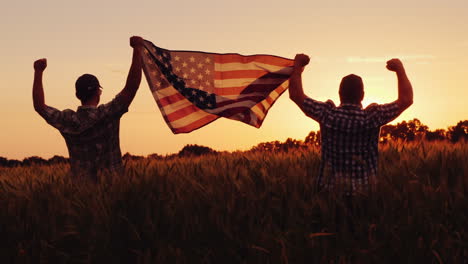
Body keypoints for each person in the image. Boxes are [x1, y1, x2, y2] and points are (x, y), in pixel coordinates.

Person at [289, 54, 413, 196]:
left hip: (330, 197)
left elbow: (296, 95)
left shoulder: (327, 114)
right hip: (365, 197)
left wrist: (298, 66)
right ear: (362, 95)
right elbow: (406, 99)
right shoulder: (373, 116)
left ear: (339, 93)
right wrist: (399, 69)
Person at [32, 36, 145, 181]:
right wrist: (137, 49)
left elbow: (39, 107)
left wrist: (38, 71)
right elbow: (131, 88)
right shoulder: (108, 113)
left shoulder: (67, 120)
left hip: (81, 193)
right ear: (98, 92)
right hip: (114, 192)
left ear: (77, 95)